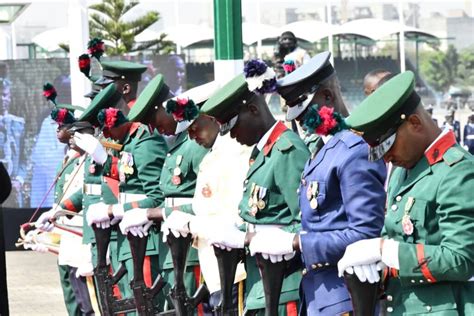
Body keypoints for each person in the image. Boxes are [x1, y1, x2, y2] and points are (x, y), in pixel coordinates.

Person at [246, 52, 387, 315]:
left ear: (328, 97)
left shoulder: (354, 149)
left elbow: (365, 234)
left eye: (305, 112)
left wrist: (296, 243)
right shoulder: (326, 149)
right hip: (318, 295)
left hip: (346, 297)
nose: (301, 123)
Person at [337, 71, 474, 314]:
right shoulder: (404, 169)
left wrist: (384, 250)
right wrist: (377, 262)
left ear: (414, 123)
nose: (387, 157)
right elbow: (393, 232)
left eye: (389, 146)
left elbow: (461, 258)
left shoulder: (458, 171)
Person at [199, 60, 310, 315]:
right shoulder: (262, 152)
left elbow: (305, 223)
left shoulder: (287, 150)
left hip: (284, 288)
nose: (232, 135)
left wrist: (252, 238)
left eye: (233, 125)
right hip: (259, 285)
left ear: (254, 110)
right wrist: (234, 232)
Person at [140, 81, 250, 314]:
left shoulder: (233, 152)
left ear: (212, 118)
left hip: (231, 264)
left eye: (194, 127)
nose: (191, 136)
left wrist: (186, 220)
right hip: (214, 262)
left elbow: (229, 212)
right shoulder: (215, 152)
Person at [120, 75, 210, 313]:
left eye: (154, 119)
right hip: (173, 247)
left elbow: (209, 201)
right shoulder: (177, 144)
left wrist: (151, 213)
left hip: (192, 248)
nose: (154, 128)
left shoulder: (197, 142)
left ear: (165, 108)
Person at [0, 75, 26, 207]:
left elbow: (23, 159)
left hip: (14, 190)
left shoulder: (18, 124)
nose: (2, 99)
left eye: (5, 95)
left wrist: (19, 180)